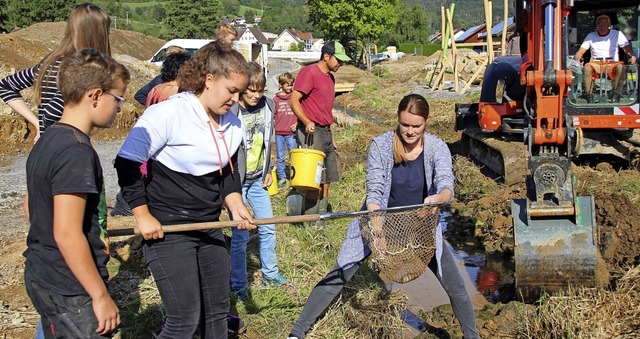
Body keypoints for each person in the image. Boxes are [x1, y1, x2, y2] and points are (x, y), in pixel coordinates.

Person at [287, 94, 479, 339]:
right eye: (405, 125)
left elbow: (446, 186)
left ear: (426, 122)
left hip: (420, 227)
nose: (410, 131)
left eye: (416, 126)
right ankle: (297, 332)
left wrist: (437, 199)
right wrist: (377, 234)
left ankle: (471, 335)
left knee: (454, 284)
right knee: (341, 271)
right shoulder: (381, 145)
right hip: (377, 220)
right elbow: (374, 193)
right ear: (398, 120)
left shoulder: (437, 148)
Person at [114, 40, 256, 338]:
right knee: (184, 320)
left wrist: (236, 205)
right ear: (209, 79)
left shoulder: (231, 121)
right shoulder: (168, 114)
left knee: (217, 313)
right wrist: (142, 215)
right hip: (169, 231)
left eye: (240, 93)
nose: (236, 99)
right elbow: (126, 164)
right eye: (231, 90)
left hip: (209, 227)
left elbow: (227, 173)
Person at [24, 48, 130, 338]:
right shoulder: (77, 152)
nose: (120, 107)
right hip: (71, 286)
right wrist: (99, 296)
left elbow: (29, 206)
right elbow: (67, 233)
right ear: (95, 95)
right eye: (118, 98)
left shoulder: (49, 138)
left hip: (42, 272)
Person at [0, 2, 112, 142]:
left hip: (47, 146)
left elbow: (6, 85)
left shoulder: (49, 64)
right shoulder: (80, 70)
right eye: (106, 31)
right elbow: (52, 113)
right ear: (98, 35)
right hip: (64, 148)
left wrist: (38, 125)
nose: (108, 35)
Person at [229, 62, 289, 301]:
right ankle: (239, 284)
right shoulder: (232, 111)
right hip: (238, 183)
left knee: (268, 227)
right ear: (242, 90)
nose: (255, 95)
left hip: (257, 180)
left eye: (259, 90)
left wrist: (268, 168)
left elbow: (267, 141)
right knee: (241, 235)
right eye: (250, 91)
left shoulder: (269, 106)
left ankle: (270, 273)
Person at [289, 41, 351, 218]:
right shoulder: (309, 73)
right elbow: (294, 100)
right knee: (313, 178)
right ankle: (310, 219)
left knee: (328, 176)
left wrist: (331, 135)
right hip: (311, 131)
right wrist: (306, 120)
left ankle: (322, 215)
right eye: (338, 60)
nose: (341, 64)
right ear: (326, 56)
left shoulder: (330, 78)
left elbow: (324, 108)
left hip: (325, 131)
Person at [573, 13, 637, 103]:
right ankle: (589, 94)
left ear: (609, 26)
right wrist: (577, 57)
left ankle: (616, 94)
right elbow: (581, 51)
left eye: (604, 25)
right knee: (587, 68)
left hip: (612, 62)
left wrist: (633, 56)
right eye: (599, 25)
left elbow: (627, 49)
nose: (602, 27)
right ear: (597, 26)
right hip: (596, 63)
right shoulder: (591, 36)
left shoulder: (617, 34)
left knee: (620, 67)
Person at [273, 72, 298, 187]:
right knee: (280, 156)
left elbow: (300, 112)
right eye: (287, 85)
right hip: (279, 133)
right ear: (281, 85)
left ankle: (295, 176)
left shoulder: (294, 98)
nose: (289, 87)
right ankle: (282, 177)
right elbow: (273, 115)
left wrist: (297, 123)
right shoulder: (276, 100)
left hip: (291, 133)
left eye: (291, 85)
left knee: (293, 155)